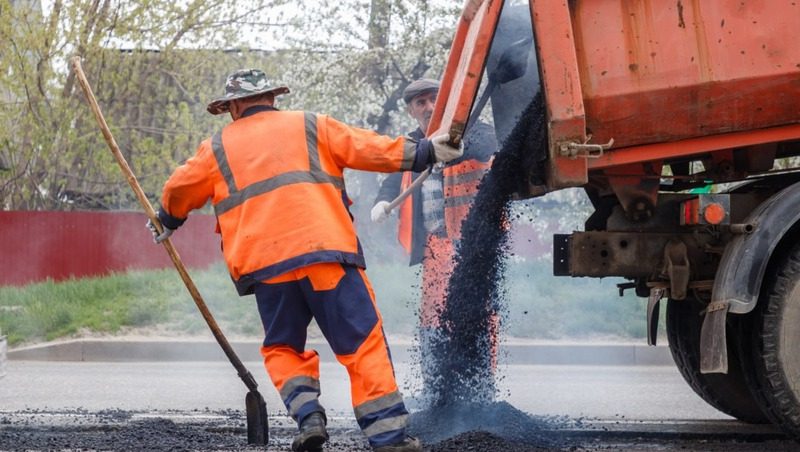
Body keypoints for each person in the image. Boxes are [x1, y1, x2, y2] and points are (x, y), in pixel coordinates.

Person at [147, 69, 462, 452]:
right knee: (361, 343)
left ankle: (309, 417)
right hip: (325, 254)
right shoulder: (310, 125)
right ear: (272, 98)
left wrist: (167, 219)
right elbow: (369, 148)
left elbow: (179, 189)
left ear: (232, 107)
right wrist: (427, 151)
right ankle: (388, 438)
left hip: (266, 268)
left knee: (283, 346)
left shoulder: (215, 147)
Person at [370, 78, 499, 395]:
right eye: (420, 103)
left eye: (433, 100)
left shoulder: (472, 130)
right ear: (412, 110)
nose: (428, 107)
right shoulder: (411, 146)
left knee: (482, 315)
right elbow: (392, 175)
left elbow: (489, 146)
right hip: (435, 245)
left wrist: (457, 142)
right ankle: (437, 387)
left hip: (473, 245)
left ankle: (481, 386)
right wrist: (382, 202)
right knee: (434, 316)